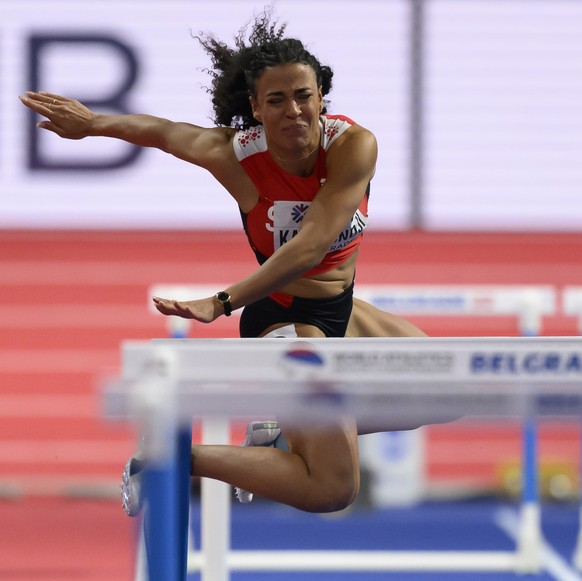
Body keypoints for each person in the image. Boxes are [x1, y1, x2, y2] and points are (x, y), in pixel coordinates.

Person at [19, 10, 429, 514]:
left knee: (443, 390)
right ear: (255, 108)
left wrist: (221, 301)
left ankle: (287, 426)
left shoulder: (353, 146)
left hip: (340, 310)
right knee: (332, 488)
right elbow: (165, 132)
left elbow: (311, 246)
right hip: (283, 319)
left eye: (304, 96)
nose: (293, 111)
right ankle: (170, 456)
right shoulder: (235, 157)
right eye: (276, 100)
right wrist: (93, 124)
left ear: (322, 95)